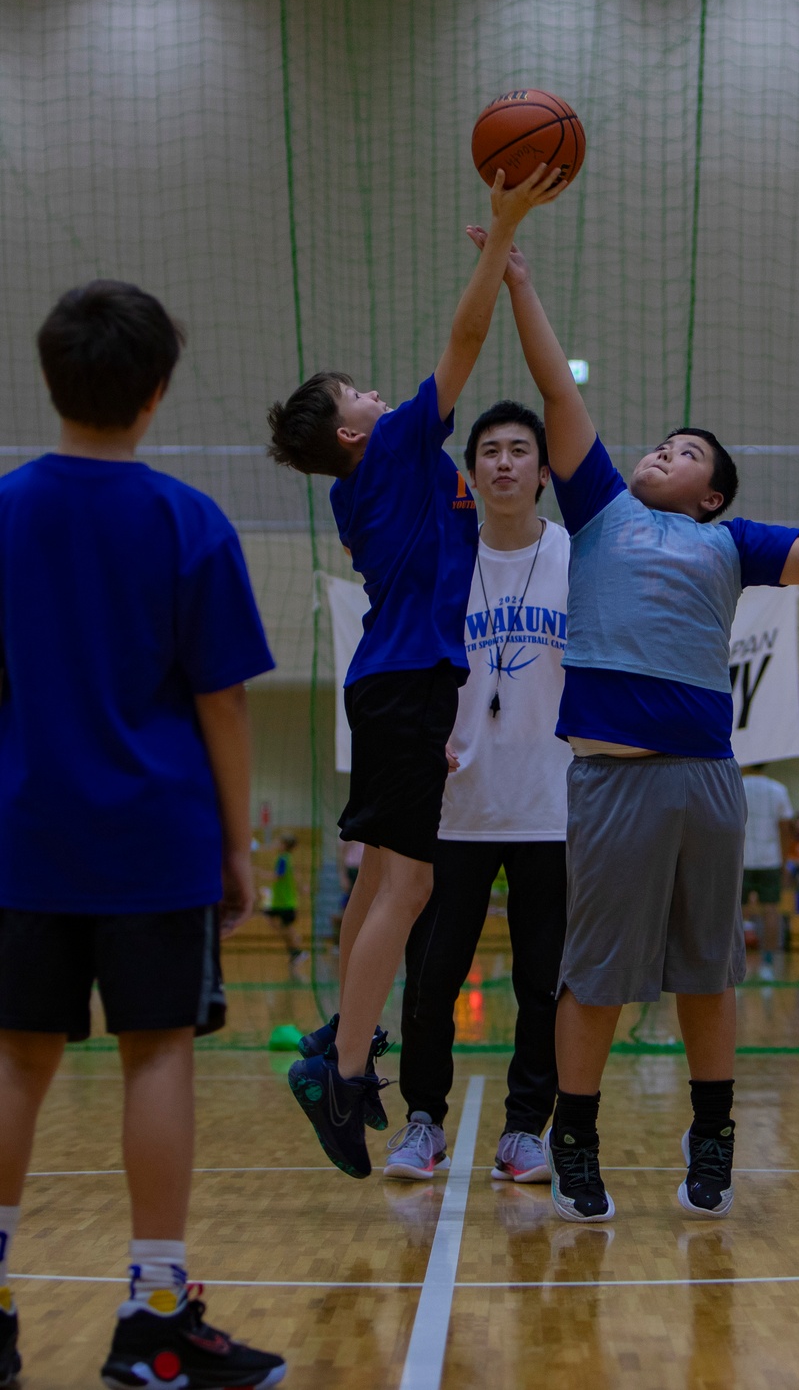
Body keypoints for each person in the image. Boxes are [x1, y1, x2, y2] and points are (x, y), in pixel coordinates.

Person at [469, 229, 799, 1225]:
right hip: (610, 779)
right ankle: (574, 1132)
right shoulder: (600, 509)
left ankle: (714, 1131)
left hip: (704, 779)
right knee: (596, 977)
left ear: (713, 493)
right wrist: (520, 279)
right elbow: (559, 397)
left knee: (706, 970)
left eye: (685, 453)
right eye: (663, 443)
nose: (663, 451)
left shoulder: (731, 545)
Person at [0, 282, 284, 1388]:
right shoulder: (187, 522)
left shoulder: (7, 512)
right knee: (155, 1052)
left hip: (26, 836)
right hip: (156, 838)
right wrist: (236, 845)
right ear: (158, 393)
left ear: (49, 375)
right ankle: (156, 1317)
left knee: (17, 1060)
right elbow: (223, 702)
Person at [266, 163, 566, 1182]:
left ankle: (330, 1040)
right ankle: (346, 1074)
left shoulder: (373, 477)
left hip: (395, 682)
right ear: (355, 431)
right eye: (364, 395)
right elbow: (465, 343)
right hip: (405, 681)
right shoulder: (391, 453)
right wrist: (505, 227)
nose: (382, 396)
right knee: (411, 882)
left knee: (387, 878)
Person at [385, 400, 571, 1184]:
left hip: (554, 807)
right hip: (452, 810)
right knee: (431, 978)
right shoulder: (444, 558)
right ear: (471, 472)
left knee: (545, 983)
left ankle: (527, 1129)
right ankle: (421, 1119)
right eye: (488, 450)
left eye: (518, 450)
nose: (502, 463)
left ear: (542, 468)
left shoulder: (577, 555)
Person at [741, 764, 794, 981]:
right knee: (771, 909)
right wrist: (785, 862)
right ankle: (768, 962)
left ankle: (737, 963)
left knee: (737, 912)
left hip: (741, 860)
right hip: (770, 860)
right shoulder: (778, 789)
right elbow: (785, 829)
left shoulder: (737, 785)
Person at [261, 834, 307, 975]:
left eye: (278, 842)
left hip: (285, 902)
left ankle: (297, 947)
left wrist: (259, 873)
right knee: (275, 922)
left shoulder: (283, 858)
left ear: (284, 845)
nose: (275, 844)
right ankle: (294, 949)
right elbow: (295, 875)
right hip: (280, 901)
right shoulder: (288, 859)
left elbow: (278, 875)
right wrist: (301, 887)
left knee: (285, 926)